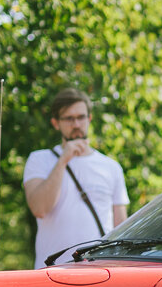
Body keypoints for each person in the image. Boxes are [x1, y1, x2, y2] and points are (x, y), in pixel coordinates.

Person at [24, 87, 129, 268]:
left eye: (81, 117)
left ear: (89, 119)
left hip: (100, 272)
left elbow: (121, 230)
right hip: (50, 272)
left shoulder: (111, 167)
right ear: (56, 123)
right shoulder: (40, 159)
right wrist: (64, 159)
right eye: (69, 119)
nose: (76, 124)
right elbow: (39, 208)